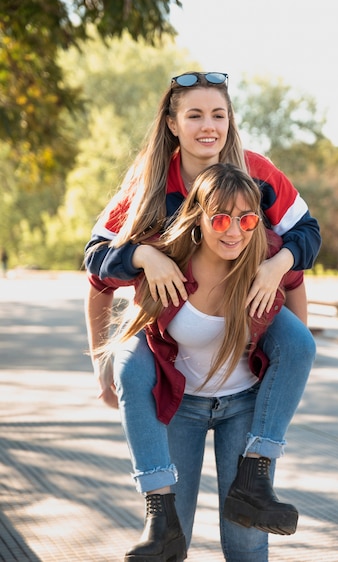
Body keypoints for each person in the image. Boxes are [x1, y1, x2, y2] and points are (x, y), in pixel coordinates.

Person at [84, 72, 321, 560]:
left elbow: (307, 237)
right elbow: (96, 259)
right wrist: (145, 257)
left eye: (219, 114)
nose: (208, 126)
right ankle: (159, 512)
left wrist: (276, 266)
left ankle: (257, 476)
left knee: (248, 541)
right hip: (179, 386)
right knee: (174, 538)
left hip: (243, 384)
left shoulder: (255, 173)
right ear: (172, 123)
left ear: (230, 119)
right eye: (194, 115)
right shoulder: (149, 184)